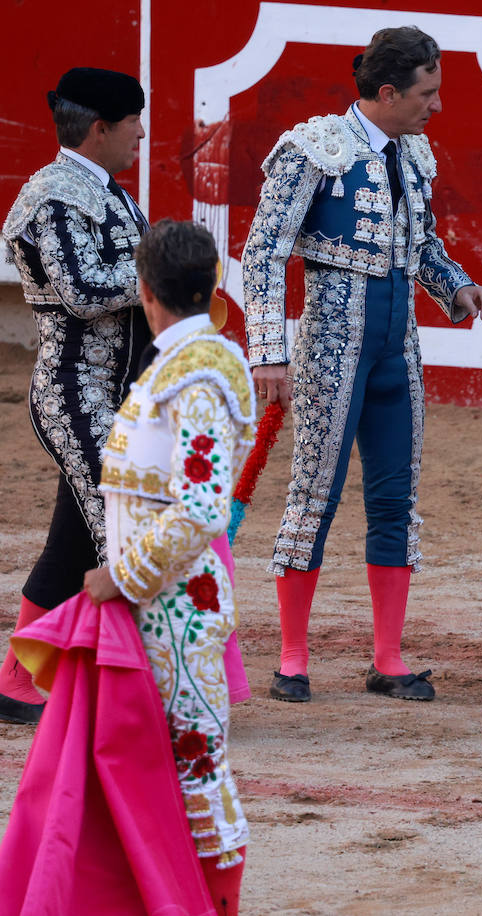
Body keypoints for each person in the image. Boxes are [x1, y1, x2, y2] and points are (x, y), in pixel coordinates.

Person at [241, 26, 482, 703]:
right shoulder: (313, 149)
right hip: (332, 349)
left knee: (395, 500)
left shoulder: (412, 153)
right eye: (427, 92)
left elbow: (421, 244)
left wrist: (457, 285)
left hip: (396, 351)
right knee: (312, 497)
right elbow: (264, 251)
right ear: (388, 93)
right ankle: (292, 658)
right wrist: (268, 351)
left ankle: (388, 658)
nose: (436, 106)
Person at [83, 219, 253, 913]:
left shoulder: (196, 373)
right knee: (166, 764)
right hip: (158, 607)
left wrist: (121, 576)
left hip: (178, 611)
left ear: (146, 292)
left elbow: (203, 507)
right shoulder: (181, 364)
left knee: (194, 764)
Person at [0, 67, 151, 725]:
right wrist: (160, 274)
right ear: (101, 130)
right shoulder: (55, 197)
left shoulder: (105, 191)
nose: (141, 133)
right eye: (133, 123)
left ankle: (14, 677)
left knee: (75, 542)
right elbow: (82, 293)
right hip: (74, 393)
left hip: (114, 395)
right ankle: (129, 683)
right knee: (121, 530)